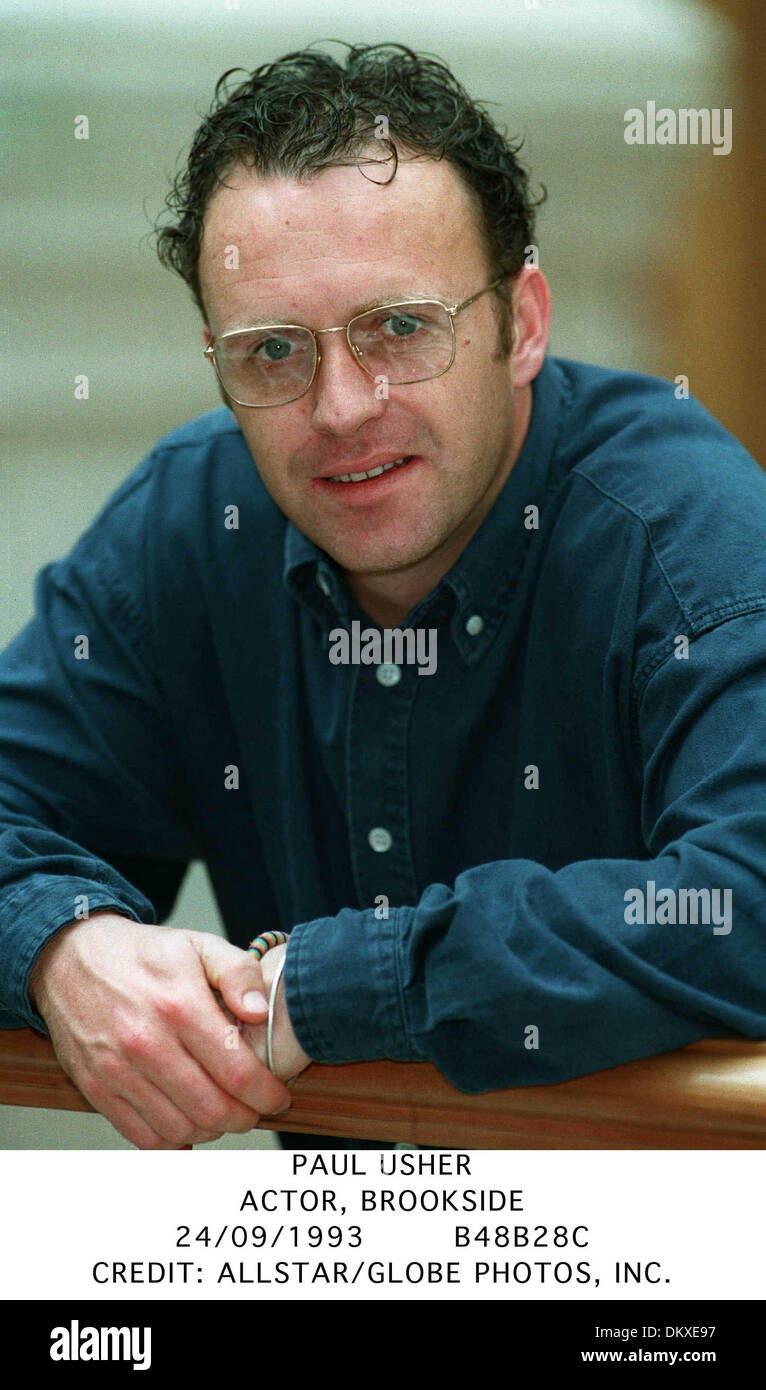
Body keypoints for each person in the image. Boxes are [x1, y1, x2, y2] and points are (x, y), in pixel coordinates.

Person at [2, 41, 766, 1151]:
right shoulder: (192, 519)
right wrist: (57, 944)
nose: (343, 407)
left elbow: (746, 899)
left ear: (524, 323)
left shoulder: (685, 536)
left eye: (400, 329)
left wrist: (331, 982)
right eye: (273, 353)